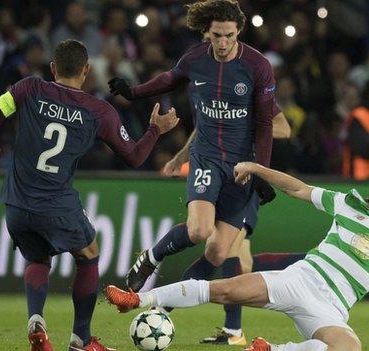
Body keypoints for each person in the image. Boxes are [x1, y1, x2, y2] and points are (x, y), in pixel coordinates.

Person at [105, 166, 369, 351]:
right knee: (225, 288)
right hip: (301, 279)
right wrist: (257, 166)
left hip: (329, 307)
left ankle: (271, 349)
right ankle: (137, 300)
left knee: (348, 346)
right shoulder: (350, 204)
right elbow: (296, 188)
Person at [0, 39, 179, 351]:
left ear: (53, 68)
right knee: (88, 254)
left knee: (37, 257)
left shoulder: (27, 89)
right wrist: (155, 130)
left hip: (16, 202)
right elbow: (135, 157)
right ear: (87, 70)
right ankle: (80, 339)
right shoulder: (99, 111)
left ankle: (36, 319)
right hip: (56, 202)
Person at [108, 0, 277, 294]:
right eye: (216, 36)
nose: (223, 43)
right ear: (206, 33)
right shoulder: (195, 58)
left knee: (218, 253)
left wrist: (261, 171)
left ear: (239, 32)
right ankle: (150, 259)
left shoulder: (257, 66)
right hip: (207, 157)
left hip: (242, 165)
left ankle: (165, 307)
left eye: (229, 36)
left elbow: (265, 125)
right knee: (199, 230)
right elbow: (168, 80)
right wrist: (133, 93)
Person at [163, 111, 304, 345]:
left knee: (222, 251)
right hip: (223, 180)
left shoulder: (254, 91)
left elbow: (283, 129)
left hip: (244, 183)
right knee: (240, 260)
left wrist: (239, 133)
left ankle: (164, 308)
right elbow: (205, 130)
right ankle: (232, 330)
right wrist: (181, 157)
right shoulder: (218, 94)